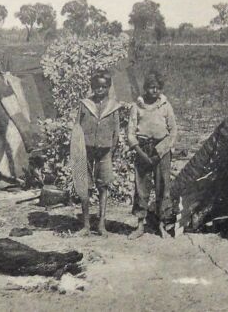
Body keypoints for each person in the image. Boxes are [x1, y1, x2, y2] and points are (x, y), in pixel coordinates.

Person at [127, 71, 177, 240]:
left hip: (161, 150)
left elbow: (173, 131)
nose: (153, 91)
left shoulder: (165, 105)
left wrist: (160, 152)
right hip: (142, 150)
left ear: (160, 89)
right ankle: (140, 225)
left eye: (157, 88)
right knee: (141, 187)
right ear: (145, 88)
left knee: (163, 187)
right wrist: (140, 152)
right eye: (150, 87)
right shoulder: (137, 106)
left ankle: (161, 225)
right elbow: (130, 133)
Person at [76, 70, 122, 236]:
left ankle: (101, 224)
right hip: (86, 150)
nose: (100, 90)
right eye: (96, 86)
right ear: (92, 87)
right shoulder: (85, 104)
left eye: (103, 86)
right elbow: (77, 128)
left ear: (108, 87)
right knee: (85, 185)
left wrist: (112, 150)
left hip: (105, 151)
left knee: (103, 185)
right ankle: (86, 225)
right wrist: (78, 150)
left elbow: (116, 132)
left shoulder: (113, 106)